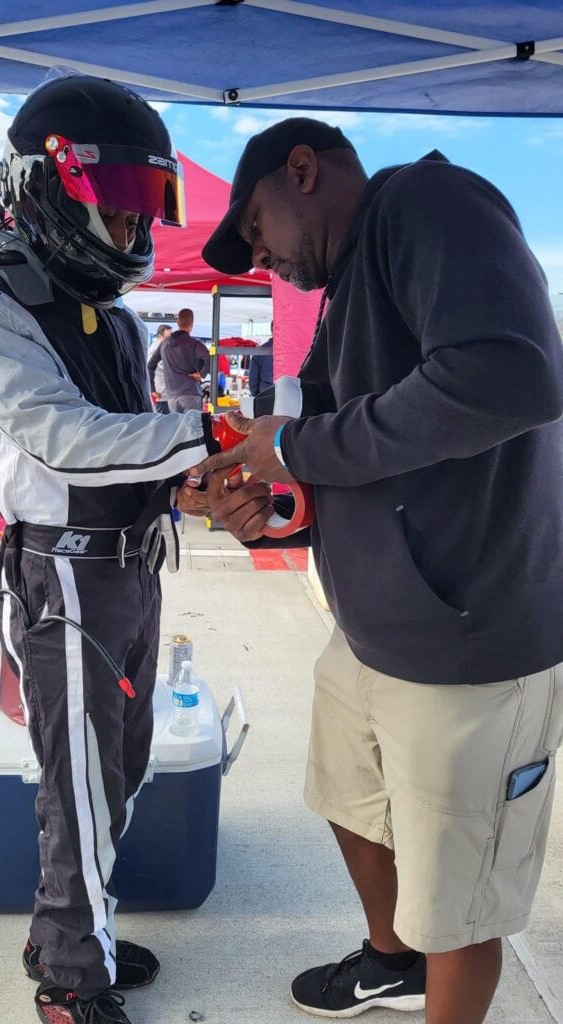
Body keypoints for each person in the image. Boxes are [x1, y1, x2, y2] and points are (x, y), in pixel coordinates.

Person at [190, 117, 563, 1024]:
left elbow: (512, 377)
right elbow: (337, 454)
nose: (259, 257)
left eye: (255, 229)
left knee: (458, 894)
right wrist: (260, 510)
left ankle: (429, 973)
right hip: (370, 628)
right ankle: (390, 962)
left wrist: (301, 445)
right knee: (347, 798)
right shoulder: (350, 283)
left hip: (467, 640)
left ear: (303, 171)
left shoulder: (427, 203)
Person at [0, 76, 215, 1024]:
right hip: (67, 578)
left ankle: (67, 929)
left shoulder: (116, 317)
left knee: (117, 772)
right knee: (80, 786)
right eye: (120, 211)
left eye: (146, 214)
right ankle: (69, 981)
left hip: (130, 567)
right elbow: (66, 437)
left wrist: (202, 472)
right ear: (50, 188)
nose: (134, 236)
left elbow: (141, 441)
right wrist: (205, 438)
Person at [147, 307, 209, 412]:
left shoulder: (164, 343)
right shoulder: (194, 343)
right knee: (193, 427)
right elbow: (209, 358)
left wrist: (152, 389)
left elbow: (150, 366)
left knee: (177, 427)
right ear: (192, 323)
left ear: (177, 322)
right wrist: (202, 374)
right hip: (190, 392)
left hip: (172, 396)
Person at [146, 323, 172, 411]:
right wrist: (153, 390)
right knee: (163, 420)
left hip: (165, 392)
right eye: (168, 337)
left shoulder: (162, 349)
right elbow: (149, 369)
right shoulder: (154, 351)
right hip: (161, 393)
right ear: (160, 336)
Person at [248, 323, 273, 397]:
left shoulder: (260, 351)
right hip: (289, 395)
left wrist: (256, 396)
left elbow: (253, 379)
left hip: (266, 394)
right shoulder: (293, 350)